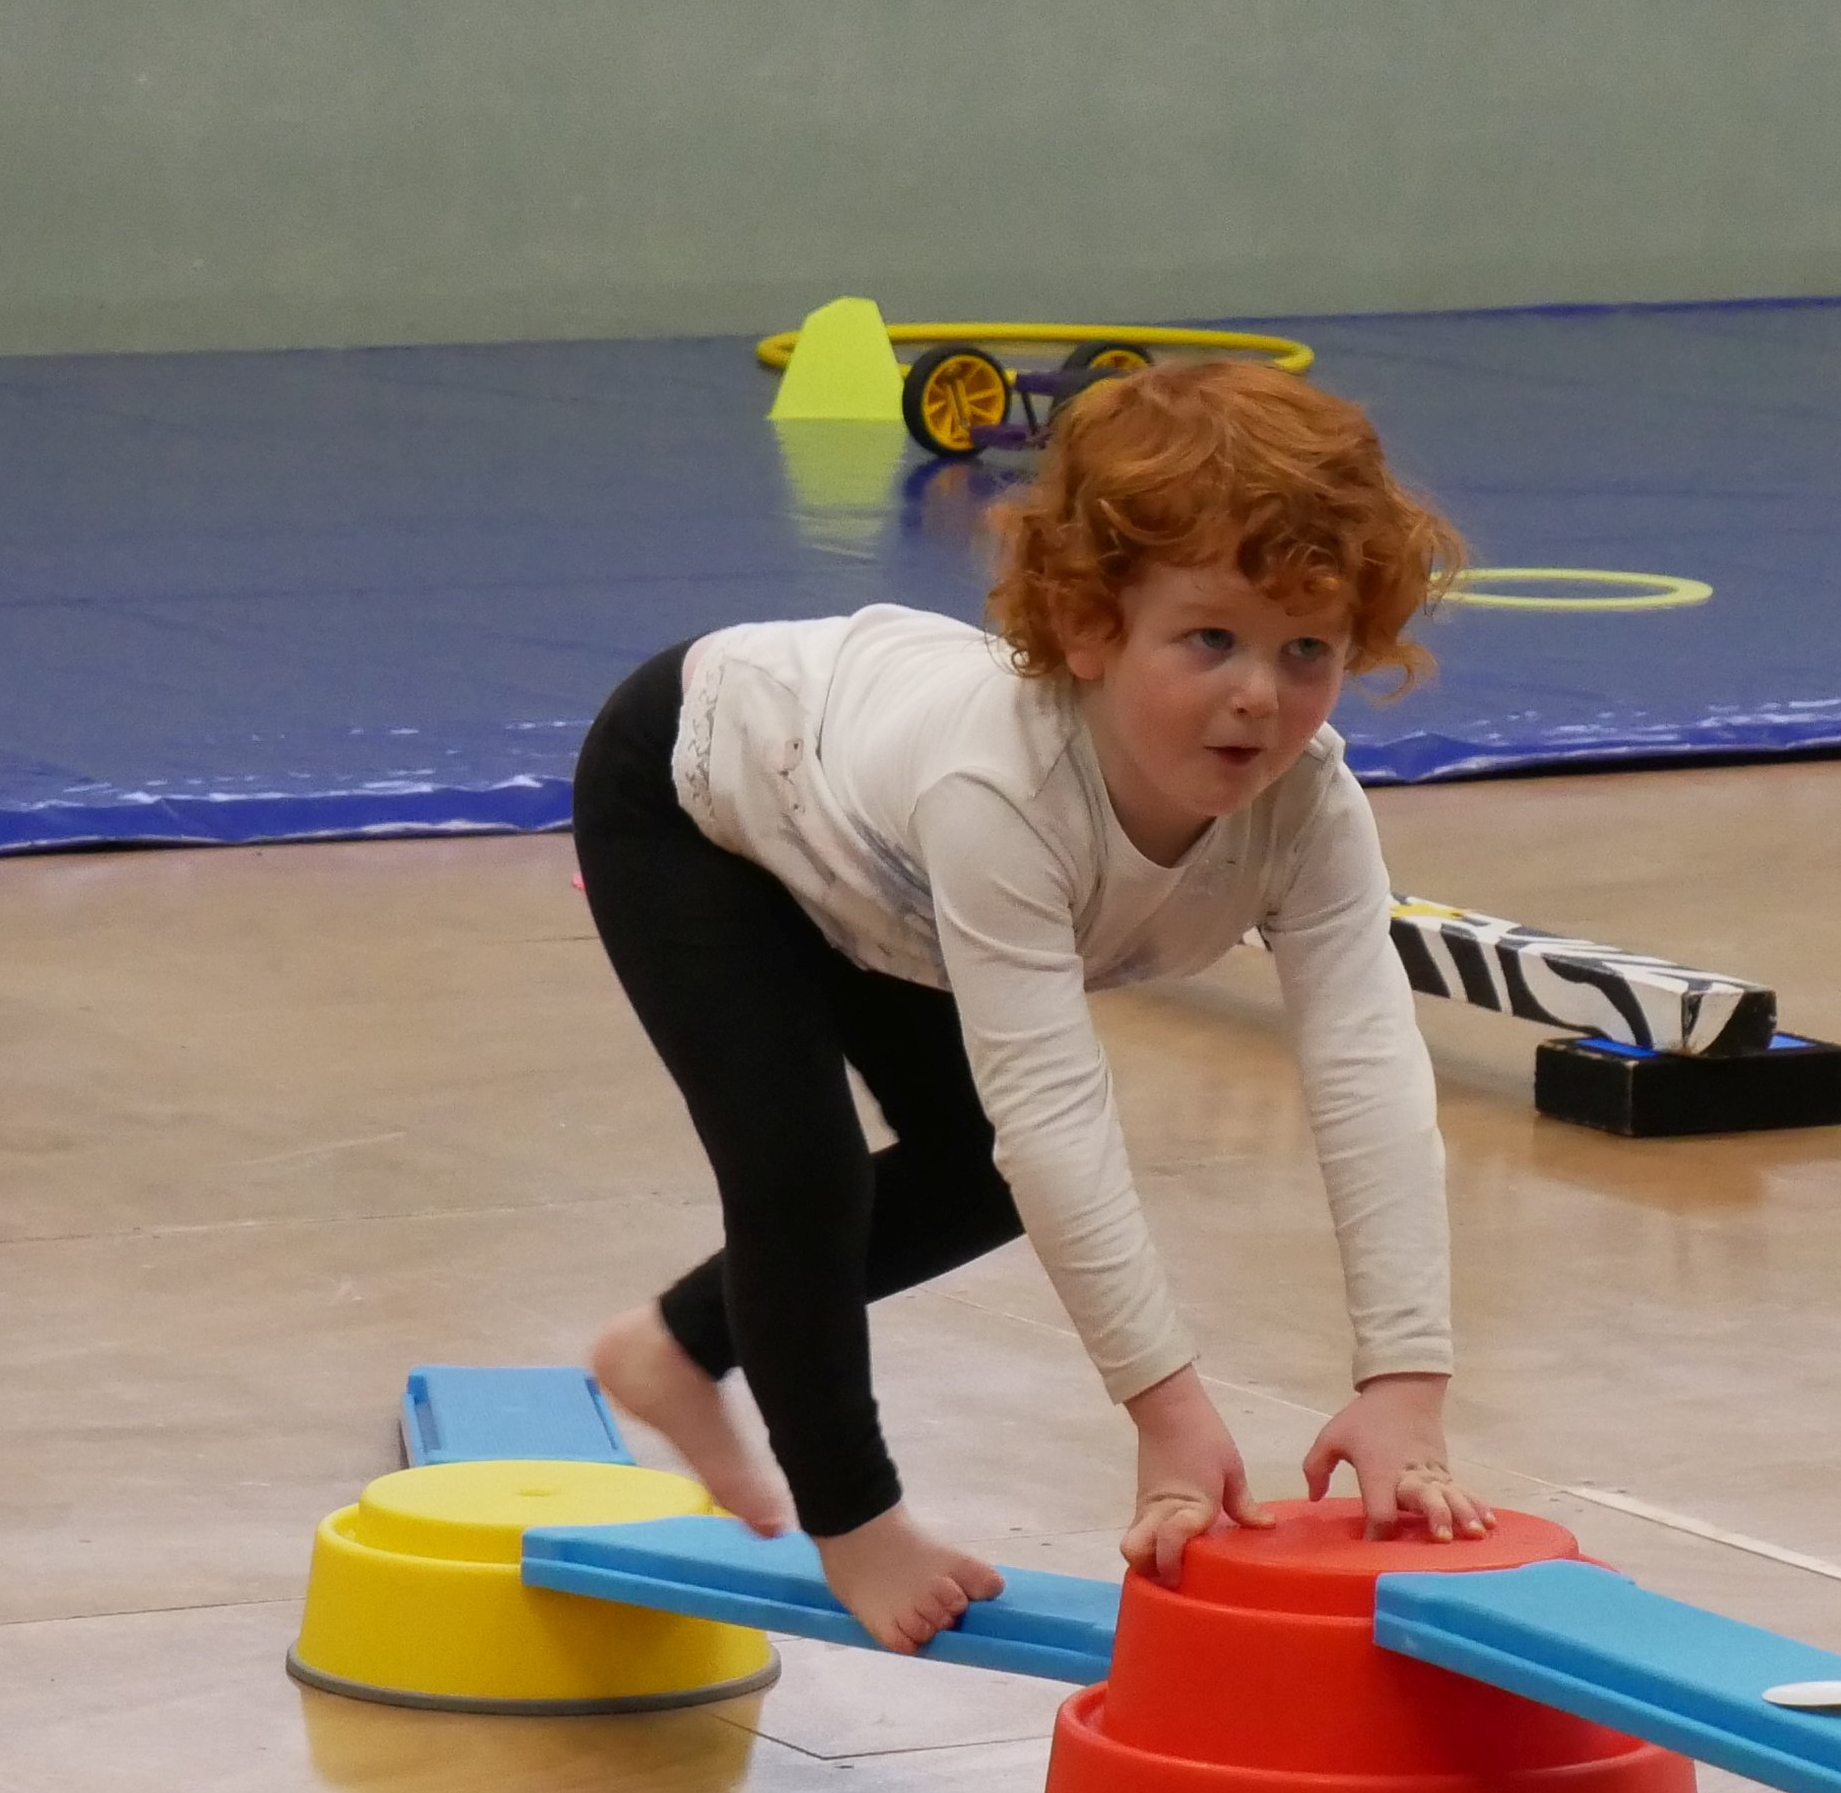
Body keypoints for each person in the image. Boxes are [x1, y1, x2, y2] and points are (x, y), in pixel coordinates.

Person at [565, 360, 1487, 1653]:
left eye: (1307, 650)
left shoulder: (1309, 809)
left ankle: (672, 1349)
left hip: (882, 868)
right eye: (1209, 640)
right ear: (1091, 629)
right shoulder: (1002, 793)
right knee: (800, 1174)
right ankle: (853, 1520)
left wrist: (1405, 1379)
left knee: (971, 1173)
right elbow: (1053, 1114)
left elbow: (1368, 1071)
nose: (1259, 696)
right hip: (699, 794)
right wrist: (1166, 1413)